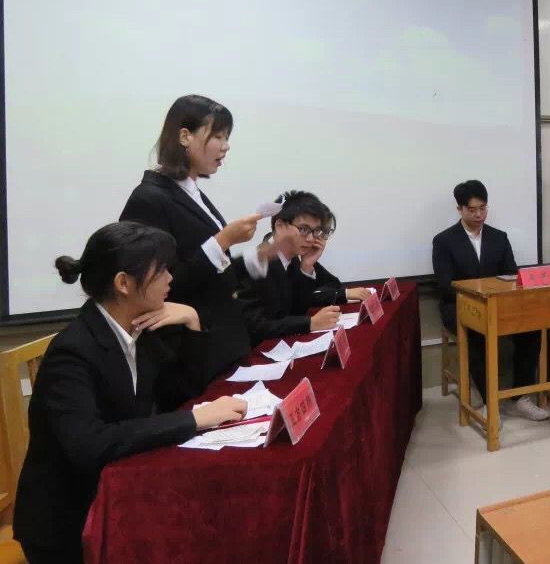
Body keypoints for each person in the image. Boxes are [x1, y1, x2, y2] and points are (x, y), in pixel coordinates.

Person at [14, 222, 247, 564]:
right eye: (161, 270)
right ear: (123, 283)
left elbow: (181, 393)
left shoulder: (139, 327)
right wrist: (194, 419)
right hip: (70, 520)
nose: (171, 278)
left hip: (121, 488)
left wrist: (192, 321)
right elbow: (90, 445)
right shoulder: (73, 351)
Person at [119, 95, 296, 376]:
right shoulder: (149, 197)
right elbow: (159, 284)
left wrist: (259, 257)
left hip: (224, 342)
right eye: (218, 136)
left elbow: (210, 274)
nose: (226, 146)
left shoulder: (190, 192)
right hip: (190, 353)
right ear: (185, 136)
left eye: (227, 137)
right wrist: (223, 240)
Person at [432, 180, 548, 421]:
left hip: (498, 304)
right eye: (472, 210)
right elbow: (445, 285)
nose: (479, 215)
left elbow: (511, 274)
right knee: (477, 331)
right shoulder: (443, 241)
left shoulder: (499, 237)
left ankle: (520, 398)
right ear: (460, 209)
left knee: (531, 329)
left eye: (483, 208)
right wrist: (477, 297)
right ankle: (488, 401)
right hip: (459, 305)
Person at [237, 191, 353, 340]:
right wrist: (309, 323)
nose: (311, 239)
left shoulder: (291, 258)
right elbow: (255, 327)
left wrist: (306, 266)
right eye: (303, 229)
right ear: (280, 226)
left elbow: (297, 310)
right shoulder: (256, 264)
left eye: (316, 231)